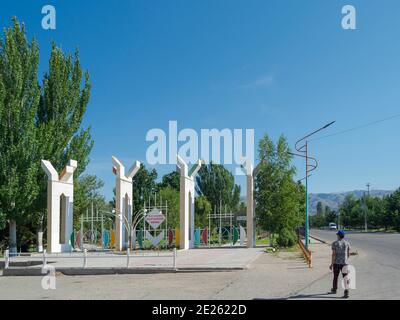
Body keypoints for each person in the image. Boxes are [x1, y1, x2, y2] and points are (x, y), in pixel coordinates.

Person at [329, 230, 350, 298]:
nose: (337, 236)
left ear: (339, 236)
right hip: (345, 263)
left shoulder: (334, 243)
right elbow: (348, 254)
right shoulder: (347, 243)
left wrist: (332, 264)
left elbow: (334, 254)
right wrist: (345, 260)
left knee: (335, 277)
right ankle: (346, 292)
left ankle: (334, 290)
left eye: (337, 235)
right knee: (345, 277)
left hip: (337, 263)